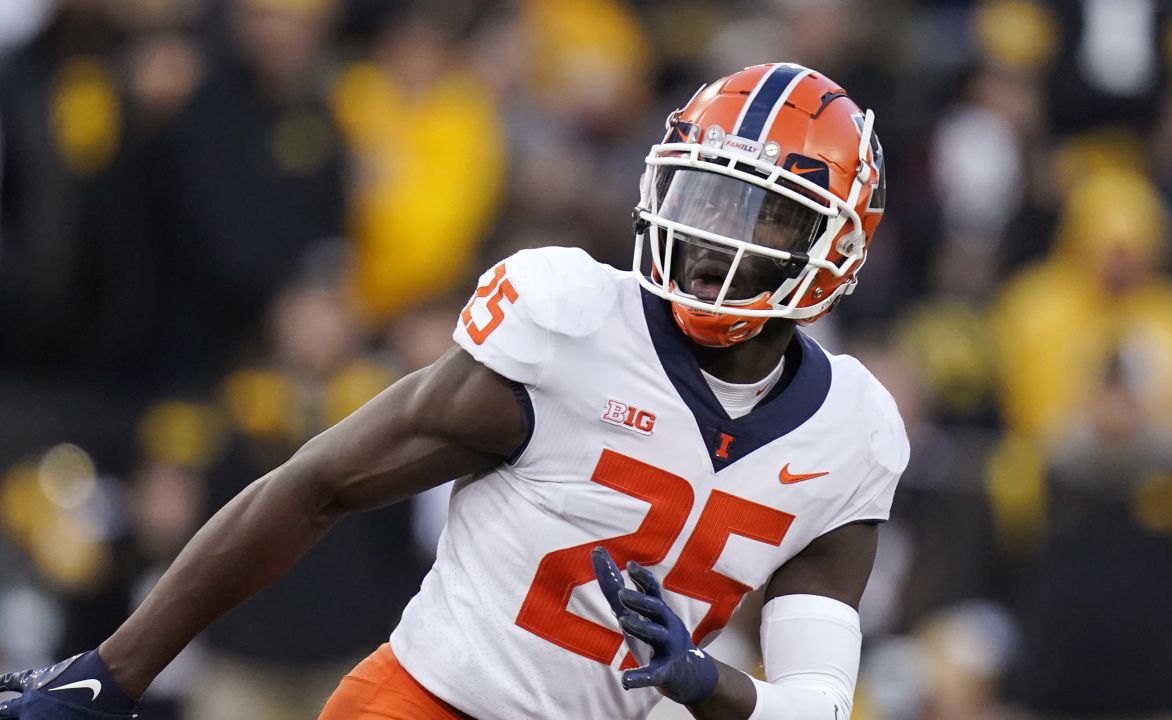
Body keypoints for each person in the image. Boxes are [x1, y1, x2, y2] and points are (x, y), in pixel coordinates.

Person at [0, 62, 907, 720]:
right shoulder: (571, 326)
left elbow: (816, 708)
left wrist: (705, 684)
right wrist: (112, 675)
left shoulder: (850, 434)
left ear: (840, 245)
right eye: (705, 198)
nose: (718, 241)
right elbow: (314, 486)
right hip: (429, 705)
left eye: (767, 217)